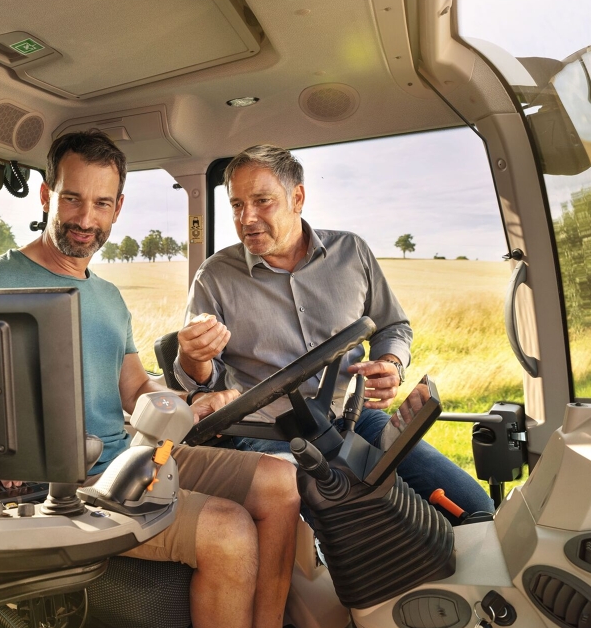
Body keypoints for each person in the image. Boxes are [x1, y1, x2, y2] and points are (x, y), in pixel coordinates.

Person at [0, 131, 300, 628]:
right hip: (60, 484)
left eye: (101, 203)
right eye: (72, 199)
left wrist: (188, 400)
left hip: (130, 458)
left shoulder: (108, 298)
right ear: (48, 195)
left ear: (117, 209)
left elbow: (136, 388)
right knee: (230, 530)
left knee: (279, 479)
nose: (86, 219)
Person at [173, 144, 494, 519]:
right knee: (337, 527)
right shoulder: (214, 276)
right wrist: (193, 356)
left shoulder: (352, 252)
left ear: (298, 197)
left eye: (262, 201)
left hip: (355, 419)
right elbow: (202, 384)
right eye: (237, 205)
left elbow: (392, 325)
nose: (247, 218)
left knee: (473, 508)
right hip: (266, 433)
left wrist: (391, 362)